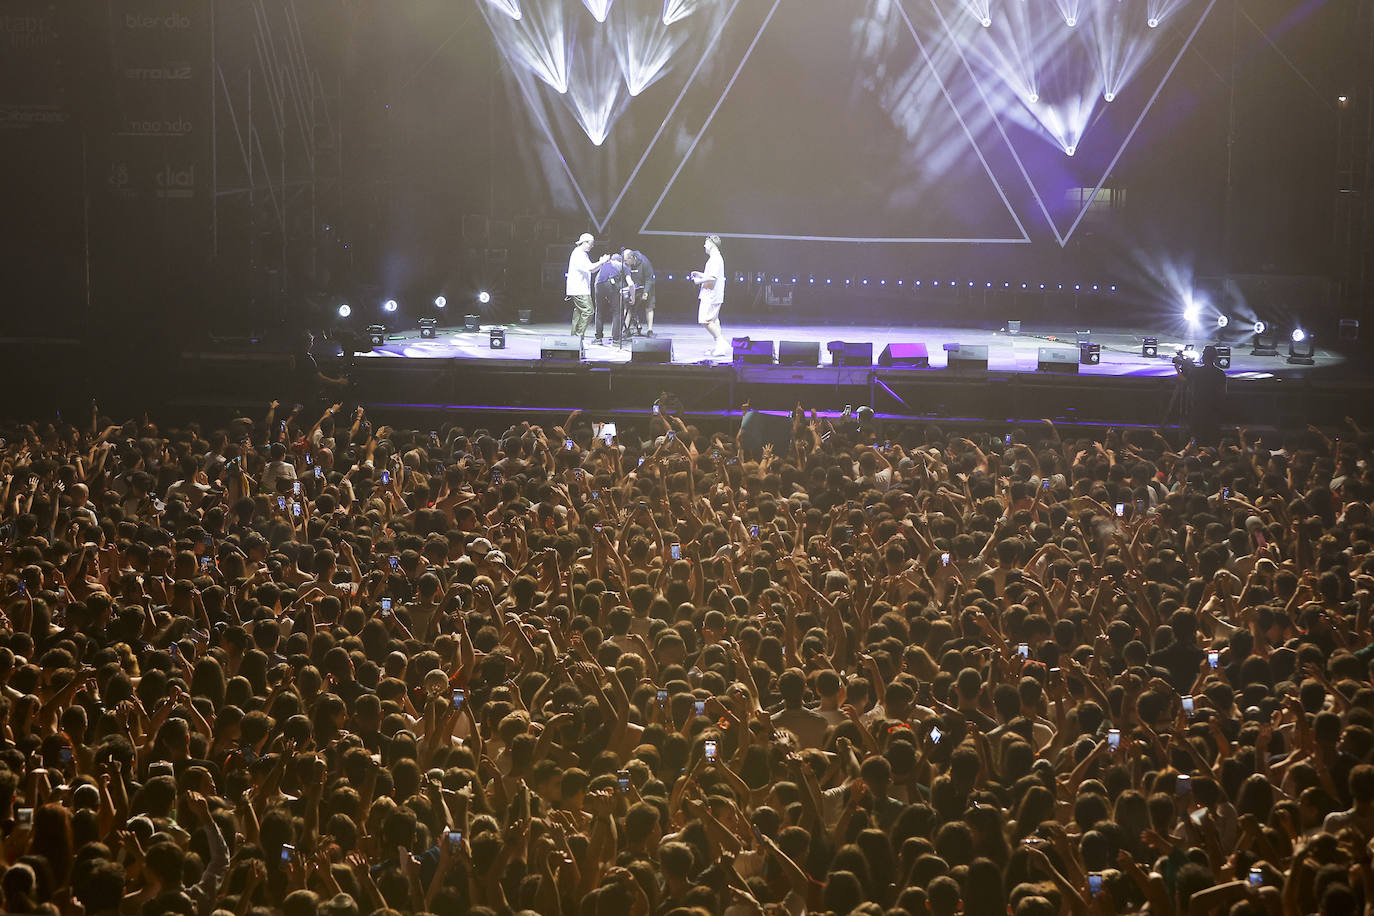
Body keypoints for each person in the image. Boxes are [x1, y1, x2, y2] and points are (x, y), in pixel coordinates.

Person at [691, 233, 728, 357]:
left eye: (706, 243)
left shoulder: (715, 259)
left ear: (712, 244)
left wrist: (698, 281)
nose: (704, 245)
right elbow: (711, 275)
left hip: (711, 295)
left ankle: (720, 343)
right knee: (713, 320)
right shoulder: (715, 258)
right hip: (713, 294)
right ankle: (720, 345)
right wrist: (700, 274)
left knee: (705, 320)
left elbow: (712, 278)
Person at [566, 232, 605, 340]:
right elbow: (591, 268)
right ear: (585, 242)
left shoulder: (581, 254)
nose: (592, 246)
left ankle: (574, 339)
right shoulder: (579, 254)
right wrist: (601, 261)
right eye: (591, 243)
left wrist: (601, 263)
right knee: (589, 311)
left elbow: (592, 269)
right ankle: (578, 337)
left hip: (579, 288)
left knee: (579, 313)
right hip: (579, 289)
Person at [593, 252, 628, 345]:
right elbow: (630, 283)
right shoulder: (622, 265)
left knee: (599, 312)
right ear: (620, 260)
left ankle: (598, 339)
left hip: (599, 285)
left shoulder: (605, 264)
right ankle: (616, 339)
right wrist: (632, 296)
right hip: (612, 286)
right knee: (617, 312)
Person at [622, 248, 656, 337]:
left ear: (632, 258)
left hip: (645, 286)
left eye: (626, 260)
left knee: (649, 307)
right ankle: (626, 328)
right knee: (628, 306)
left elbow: (649, 278)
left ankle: (650, 330)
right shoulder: (625, 265)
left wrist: (646, 292)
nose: (624, 262)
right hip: (633, 287)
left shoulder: (644, 262)